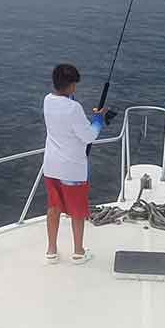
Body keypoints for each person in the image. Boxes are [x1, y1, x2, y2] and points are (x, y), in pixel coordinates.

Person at [42, 63, 108, 264]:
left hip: (51, 167)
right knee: (77, 211)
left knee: (53, 207)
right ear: (71, 85)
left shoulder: (47, 100)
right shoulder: (74, 108)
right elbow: (88, 136)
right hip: (72, 169)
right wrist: (99, 120)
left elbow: (65, 116)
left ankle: (51, 250)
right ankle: (78, 252)